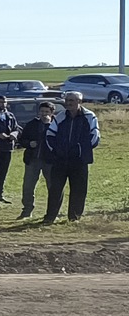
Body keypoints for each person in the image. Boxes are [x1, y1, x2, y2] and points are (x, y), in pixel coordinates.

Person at [41, 90, 101, 224]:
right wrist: (57, 150)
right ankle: (50, 217)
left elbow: (95, 137)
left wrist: (79, 150)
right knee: (55, 189)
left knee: (79, 190)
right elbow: (50, 135)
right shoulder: (60, 116)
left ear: (79, 102)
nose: (68, 103)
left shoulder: (90, 117)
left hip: (79, 161)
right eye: (67, 101)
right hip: (60, 160)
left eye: (71, 101)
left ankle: (74, 217)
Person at [16, 101, 53, 218]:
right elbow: (22, 139)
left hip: (50, 161)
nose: (44, 114)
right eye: (42, 111)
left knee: (53, 186)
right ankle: (27, 210)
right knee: (28, 186)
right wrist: (28, 143)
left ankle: (52, 211)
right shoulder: (32, 124)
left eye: (47, 112)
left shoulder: (56, 125)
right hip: (33, 159)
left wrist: (47, 125)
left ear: (52, 113)